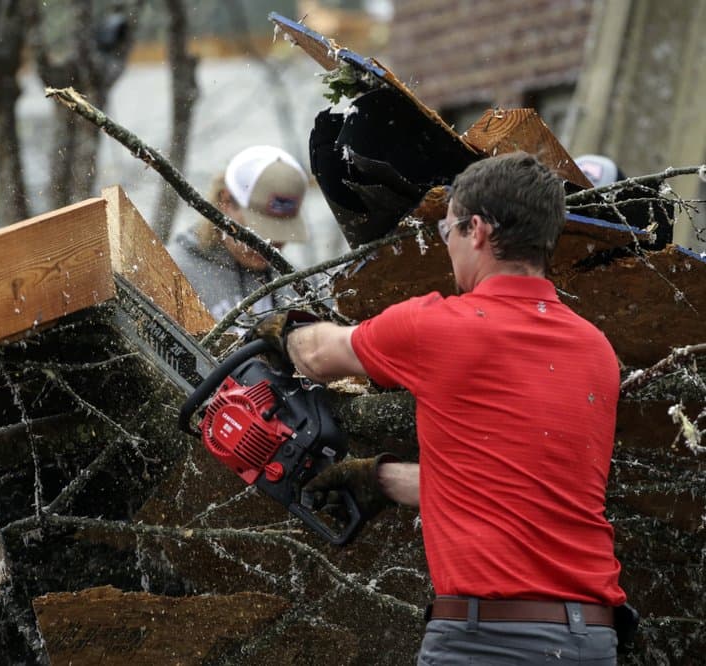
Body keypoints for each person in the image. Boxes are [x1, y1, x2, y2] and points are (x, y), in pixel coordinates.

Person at [254, 152, 628, 662]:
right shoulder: (595, 351)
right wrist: (380, 479)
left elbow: (319, 356)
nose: (445, 243)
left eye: (447, 228)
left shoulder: (439, 326)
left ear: (476, 229)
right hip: (588, 639)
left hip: (488, 640)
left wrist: (283, 328)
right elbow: (515, 489)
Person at [167, 145, 309, 323]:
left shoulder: (300, 286)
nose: (270, 245)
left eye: (280, 233)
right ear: (225, 201)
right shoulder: (173, 273)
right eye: (261, 232)